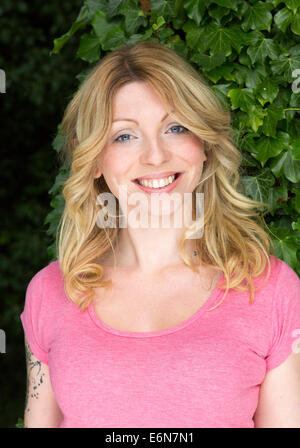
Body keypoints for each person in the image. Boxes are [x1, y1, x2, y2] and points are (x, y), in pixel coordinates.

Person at [20, 41, 300, 428]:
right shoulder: (49, 292)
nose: (155, 156)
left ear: (204, 145)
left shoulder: (270, 290)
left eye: (175, 127)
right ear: (95, 160)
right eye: (124, 136)